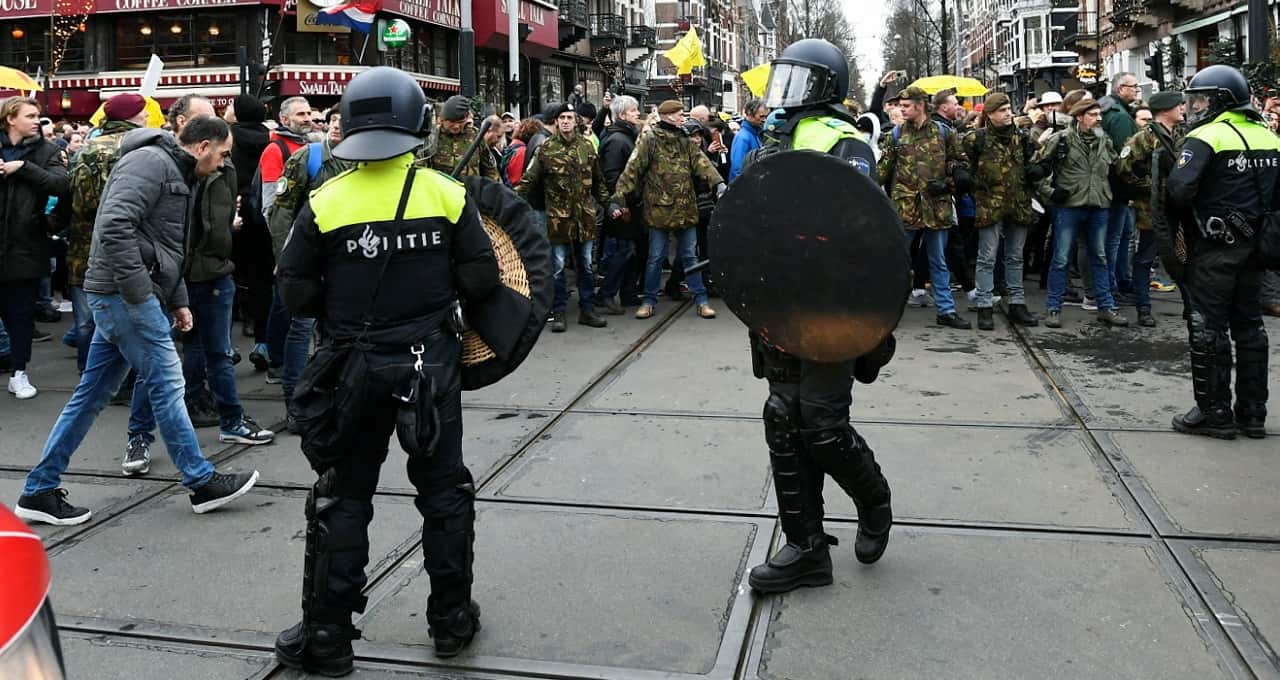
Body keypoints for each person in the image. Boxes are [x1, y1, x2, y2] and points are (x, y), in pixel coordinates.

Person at [274, 67, 499, 673]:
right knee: (444, 491)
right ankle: (451, 620)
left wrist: (345, 318)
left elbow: (294, 290)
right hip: (428, 367)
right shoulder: (446, 194)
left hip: (351, 367)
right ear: (418, 123)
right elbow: (482, 277)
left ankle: (327, 635)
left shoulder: (326, 199)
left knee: (343, 495)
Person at [15, 115, 259, 526]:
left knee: (92, 396)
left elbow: (167, 246)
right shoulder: (151, 163)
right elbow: (114, 227)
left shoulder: (173, 168)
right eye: (221, 155)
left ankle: (39, 489)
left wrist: (176, 300)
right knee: (166, 385)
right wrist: (143, 296)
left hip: (125, 295)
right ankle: (201, 481)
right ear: (202, 146)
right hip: (123, 297)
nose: (222, 164)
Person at [736, 38, 895, 594]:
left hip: (831, 307)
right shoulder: (767, 138)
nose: (785, 90)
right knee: (783, 417)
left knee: (823, 427)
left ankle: (874, 499)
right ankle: (805, 549)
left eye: (798, 79)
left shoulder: (844, 141)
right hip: (779, 303)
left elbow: (865, 230)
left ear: (825, 84)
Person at [1166, 64, 1278, 440]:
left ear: (1220, 100)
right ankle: (1253, 412)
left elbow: (1178, 191)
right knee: (1250, 327)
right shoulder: (1270, 137)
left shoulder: (1207, 136)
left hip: (1215, 249)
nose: (1196, 106)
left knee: (1207, 327)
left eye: (1202, 99)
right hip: (1257, 250)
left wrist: (1188, 227)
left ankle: (1214, 413)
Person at [266, 107, 353, 431]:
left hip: (345, 263)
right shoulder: (308, 158)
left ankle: (334, 399)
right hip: (308, 259)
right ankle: (297, 405)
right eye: (333, 121)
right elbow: (281, 212)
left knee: (335, 333)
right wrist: (283, 258)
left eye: (344, 122)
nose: (336, 127)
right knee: (301, 330)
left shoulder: (364, 159)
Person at [609, 100, 724, 320]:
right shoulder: (649, 139)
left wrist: (718, 183)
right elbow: (632, 169)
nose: (683, 117)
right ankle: (649, 300)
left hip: (685, 207)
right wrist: (618, 198)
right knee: (655, 256)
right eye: (680, 114)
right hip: (658, 209)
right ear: (668, 116)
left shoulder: (684, 138)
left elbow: (702, 163)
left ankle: (701, 300)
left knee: (690, 256)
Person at [67, 94, 150, 376]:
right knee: (130, 314)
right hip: (130, 242)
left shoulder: (86, 149)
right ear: (134, 116)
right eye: (144, 112)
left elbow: (76, 201)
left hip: (85, 242)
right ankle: (125, 379)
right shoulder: (140, 149)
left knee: (88, 319)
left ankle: (88, 372)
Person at [879, 86, 972, 328]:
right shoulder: (896, 135)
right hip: (906, 208)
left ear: (920, 106)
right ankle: (886, 310)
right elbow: (882, 171)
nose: (901, 109)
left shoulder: (943, 133)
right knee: (897, 261)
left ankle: (946, 310)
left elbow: (959, 163)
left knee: (938, 261)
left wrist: (949, 183)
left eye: (906, 105)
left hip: (936, 207)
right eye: (901, 105)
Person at [515, 103, 611, 331]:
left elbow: (598, 181)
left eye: (569, 117)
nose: (566, 121)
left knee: (586, 265)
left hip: (584, 217)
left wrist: (611, 204)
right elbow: (529, 180)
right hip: (558, 218)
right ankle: (558, 311)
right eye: (562, 118)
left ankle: (587, 309)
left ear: (576, 121)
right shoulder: (546, 148)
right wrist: (512, 200)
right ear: (556, 122)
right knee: (557, 266)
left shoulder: (587, 147)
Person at [1035, 98, 1128, 328]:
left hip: (1098, 205)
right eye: (1093, 114)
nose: (1099, 118)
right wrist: (1051, 192)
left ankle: (1106, 307)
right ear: (1079, 117)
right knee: (1061, 258)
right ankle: (1053, 308)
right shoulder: (1062, 139)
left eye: (1099, 114)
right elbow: (1037, 168)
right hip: (1069, 207)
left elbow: (1116, 167)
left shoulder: (1104, 140)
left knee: (1100, 257)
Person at [1, 96, 69, 400]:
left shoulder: (47, 150)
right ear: (10, 118)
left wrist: (23, 168)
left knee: (21, 314)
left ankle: (19, 372)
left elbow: (61, 185)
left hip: (26, 243)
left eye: (37, 115)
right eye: (29, 115)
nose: (36, 120)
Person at [961, 92, 1042, 330]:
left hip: (1018, 202)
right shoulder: (977, 139)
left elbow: (1035, 161)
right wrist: (965, 178)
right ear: (990, 114)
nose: (1008, 114)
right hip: (990, 204)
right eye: (1002, 110)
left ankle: (1017, 302)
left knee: (1016, 257)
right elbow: (963, 163)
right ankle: (984, 305)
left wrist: (1039, 169)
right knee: (987, 257)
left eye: (1009, 109)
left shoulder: (1022, 138)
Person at [1114, 91, 1186, 328]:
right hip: (1151, 208)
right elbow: (1123, 168)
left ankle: (1191, 307)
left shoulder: (1181, 134)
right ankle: (1143, 309)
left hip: (1177, 205)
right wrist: (1149, 186)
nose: (1183, 108)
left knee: (1183, 257)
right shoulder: (1143, 138)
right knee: (1145, 259)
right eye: (1179, 105)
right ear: (1166, 109)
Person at [254, 96, 312, 374]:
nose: (307, 118)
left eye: (308, 112)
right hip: (287, 240)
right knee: (283, 302)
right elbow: (270, 206)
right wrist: (284, 249)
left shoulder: (310, 146)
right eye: (300, 114)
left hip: (307, 238)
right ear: (285, 119)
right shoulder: (275, 150)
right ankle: (277, 360)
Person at [595, 95, 646, 312]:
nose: (637, 114)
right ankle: (606, 293)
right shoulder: (618, 141)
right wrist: (618, 203)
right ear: (623, 114)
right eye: (634, 110)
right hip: (622, 205)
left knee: (631, 250)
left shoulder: (625, 136)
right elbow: (611, 176)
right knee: (624, 249)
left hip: (630, 203)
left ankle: (628, 293)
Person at [1099, 73, 1140, 303]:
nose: (1136, 91)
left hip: (1110, 186)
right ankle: (1112, 287)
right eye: (1133, 87)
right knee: (1114, 239)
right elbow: (1126, 156)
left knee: (1122, 235)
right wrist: (1134, 183)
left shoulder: (1108, 109)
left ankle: (1120, 280)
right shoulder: (1121, 117)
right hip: (1118, 188)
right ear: (1121, 88)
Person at [424, 95, 500, 181]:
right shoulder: (431, 138)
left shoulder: (475, 136)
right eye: (451, 122)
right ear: (442, 119)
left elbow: (490, 171)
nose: (456, 126)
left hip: (470, 191)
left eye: (460, 122)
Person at [730, 98, 768, 181]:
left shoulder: (754, 134)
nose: (764, 119)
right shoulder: (743, 137)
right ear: (750, 115)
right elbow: (738, 169)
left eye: (765, 116)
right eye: (761, 116)